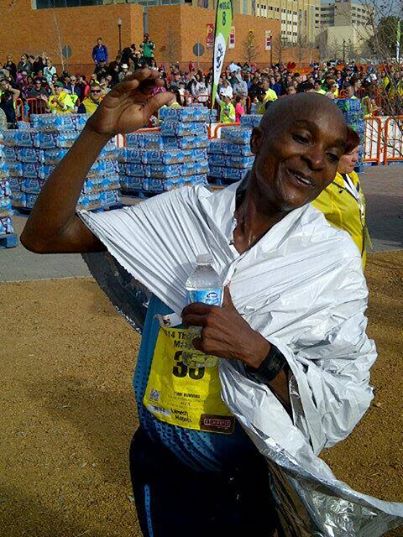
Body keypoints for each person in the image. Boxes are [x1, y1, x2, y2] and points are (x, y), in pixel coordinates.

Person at [21, 69, 377, 537]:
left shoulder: (329, 259)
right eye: (302, 139)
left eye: (331, 155)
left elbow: (344, 393)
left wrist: (257, 351)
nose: (316, 161)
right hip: (163, 462)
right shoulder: (184, 217)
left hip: (251, 477)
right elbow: (44, 236)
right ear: (256, 142)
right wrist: (97, 132)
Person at [312, 127, 368, 267]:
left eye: (357, 152)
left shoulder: (352, 177)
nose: (356, 158)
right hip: (339, 263)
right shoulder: (324, 185)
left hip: (357, 256)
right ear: (333, 155)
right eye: (350, 154)